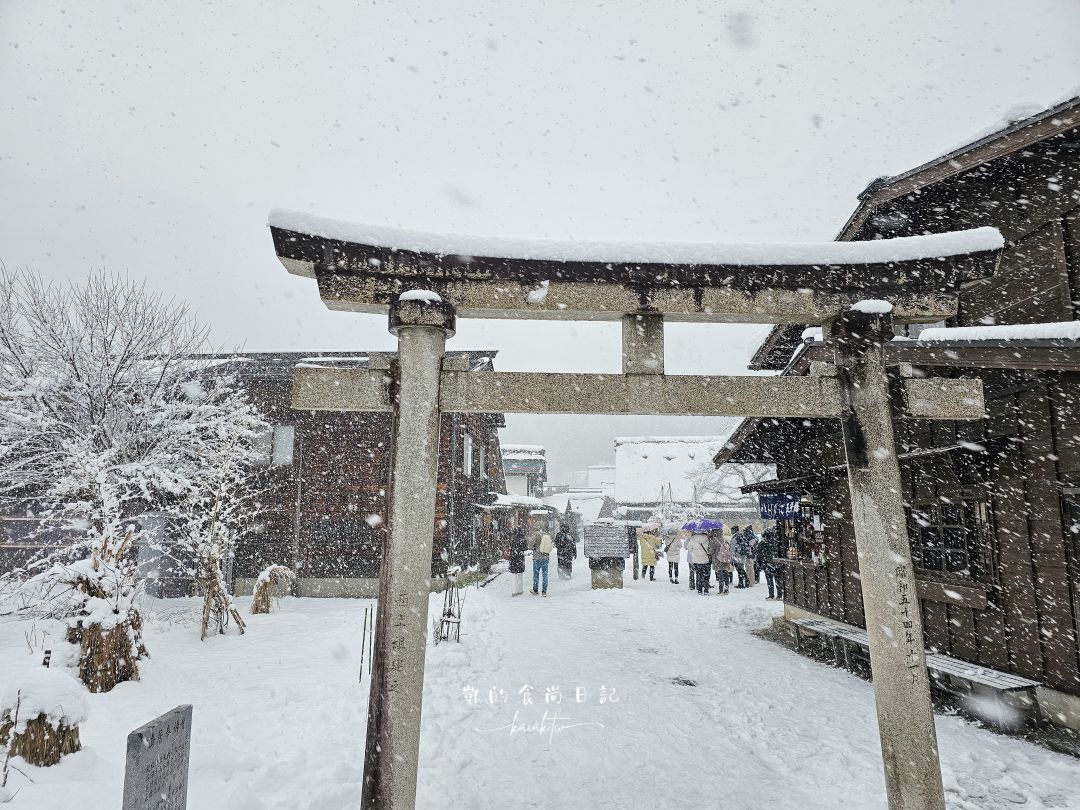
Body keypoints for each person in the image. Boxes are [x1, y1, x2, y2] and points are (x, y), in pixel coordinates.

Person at [760, 526, 784, 600]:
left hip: (767, 564)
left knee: (769, 581)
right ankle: (779, 595)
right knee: (778, 580)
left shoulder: (763, 543)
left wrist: (761, 563)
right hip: (777, 563)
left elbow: (759, 554)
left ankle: (771, 595)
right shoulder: (777, 542)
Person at [528, 525, 553, 596]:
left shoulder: (536, 534)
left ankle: (535, 590)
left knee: (536, 574)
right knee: (545, 575)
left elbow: (530, 545)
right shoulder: (547, 535)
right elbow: (550, 545)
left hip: (537, 557)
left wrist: (534, 548)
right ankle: (544, 591)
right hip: (545, 557)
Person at [688, 530, 713, 595]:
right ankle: (706, 590)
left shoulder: (692, 539)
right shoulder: (707, 539)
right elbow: (710, 549)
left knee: (699, 575)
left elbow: (689, 549)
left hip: (696, 560)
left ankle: (699, 590)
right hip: (706, 560)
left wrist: (695, 553)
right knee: (706, 576)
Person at [710, 526, 732, 595]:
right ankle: (726, 589)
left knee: (720, 575)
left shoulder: (713, 540)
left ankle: (721, 590)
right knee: (725, 573)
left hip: (718, 559)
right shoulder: (723, 538)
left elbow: (710, 551)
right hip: (725, 558)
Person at [508, 526, 527, 596]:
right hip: (520, 559)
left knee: (514, 575)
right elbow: (526, 548)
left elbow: (511, 549)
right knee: (520, 575)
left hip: (514, 559)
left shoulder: (513, 539)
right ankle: (520, 590)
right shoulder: (523, 539)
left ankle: (514, 591)